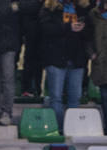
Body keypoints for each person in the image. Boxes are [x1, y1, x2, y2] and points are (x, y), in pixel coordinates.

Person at [39, 0, 95, 132]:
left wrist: (82, 28)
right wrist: (68, 27)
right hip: (55, 58)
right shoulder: (49, 8)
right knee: (56, 97)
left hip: (77, 59)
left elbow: (90, 32)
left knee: (75, 98)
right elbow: (45, 29)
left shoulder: (83, 9)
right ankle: (57, 130)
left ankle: (72, 129)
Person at [91, 0, 107, 129]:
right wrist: (90, 52)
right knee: (105, 96)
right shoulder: (94, 14)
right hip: (101, 61)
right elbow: (86, 37)